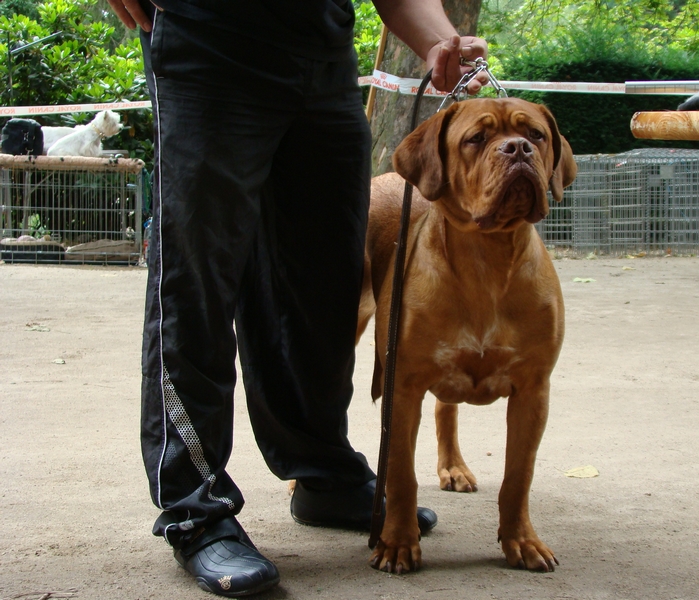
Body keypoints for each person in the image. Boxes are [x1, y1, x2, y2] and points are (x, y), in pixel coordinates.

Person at [106, 0, 488, 596]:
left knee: (325, 277)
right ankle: (196, 508)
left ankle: (322, 472)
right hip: (208, 43)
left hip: (321, 50)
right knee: (196, 279)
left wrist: (442, 40)